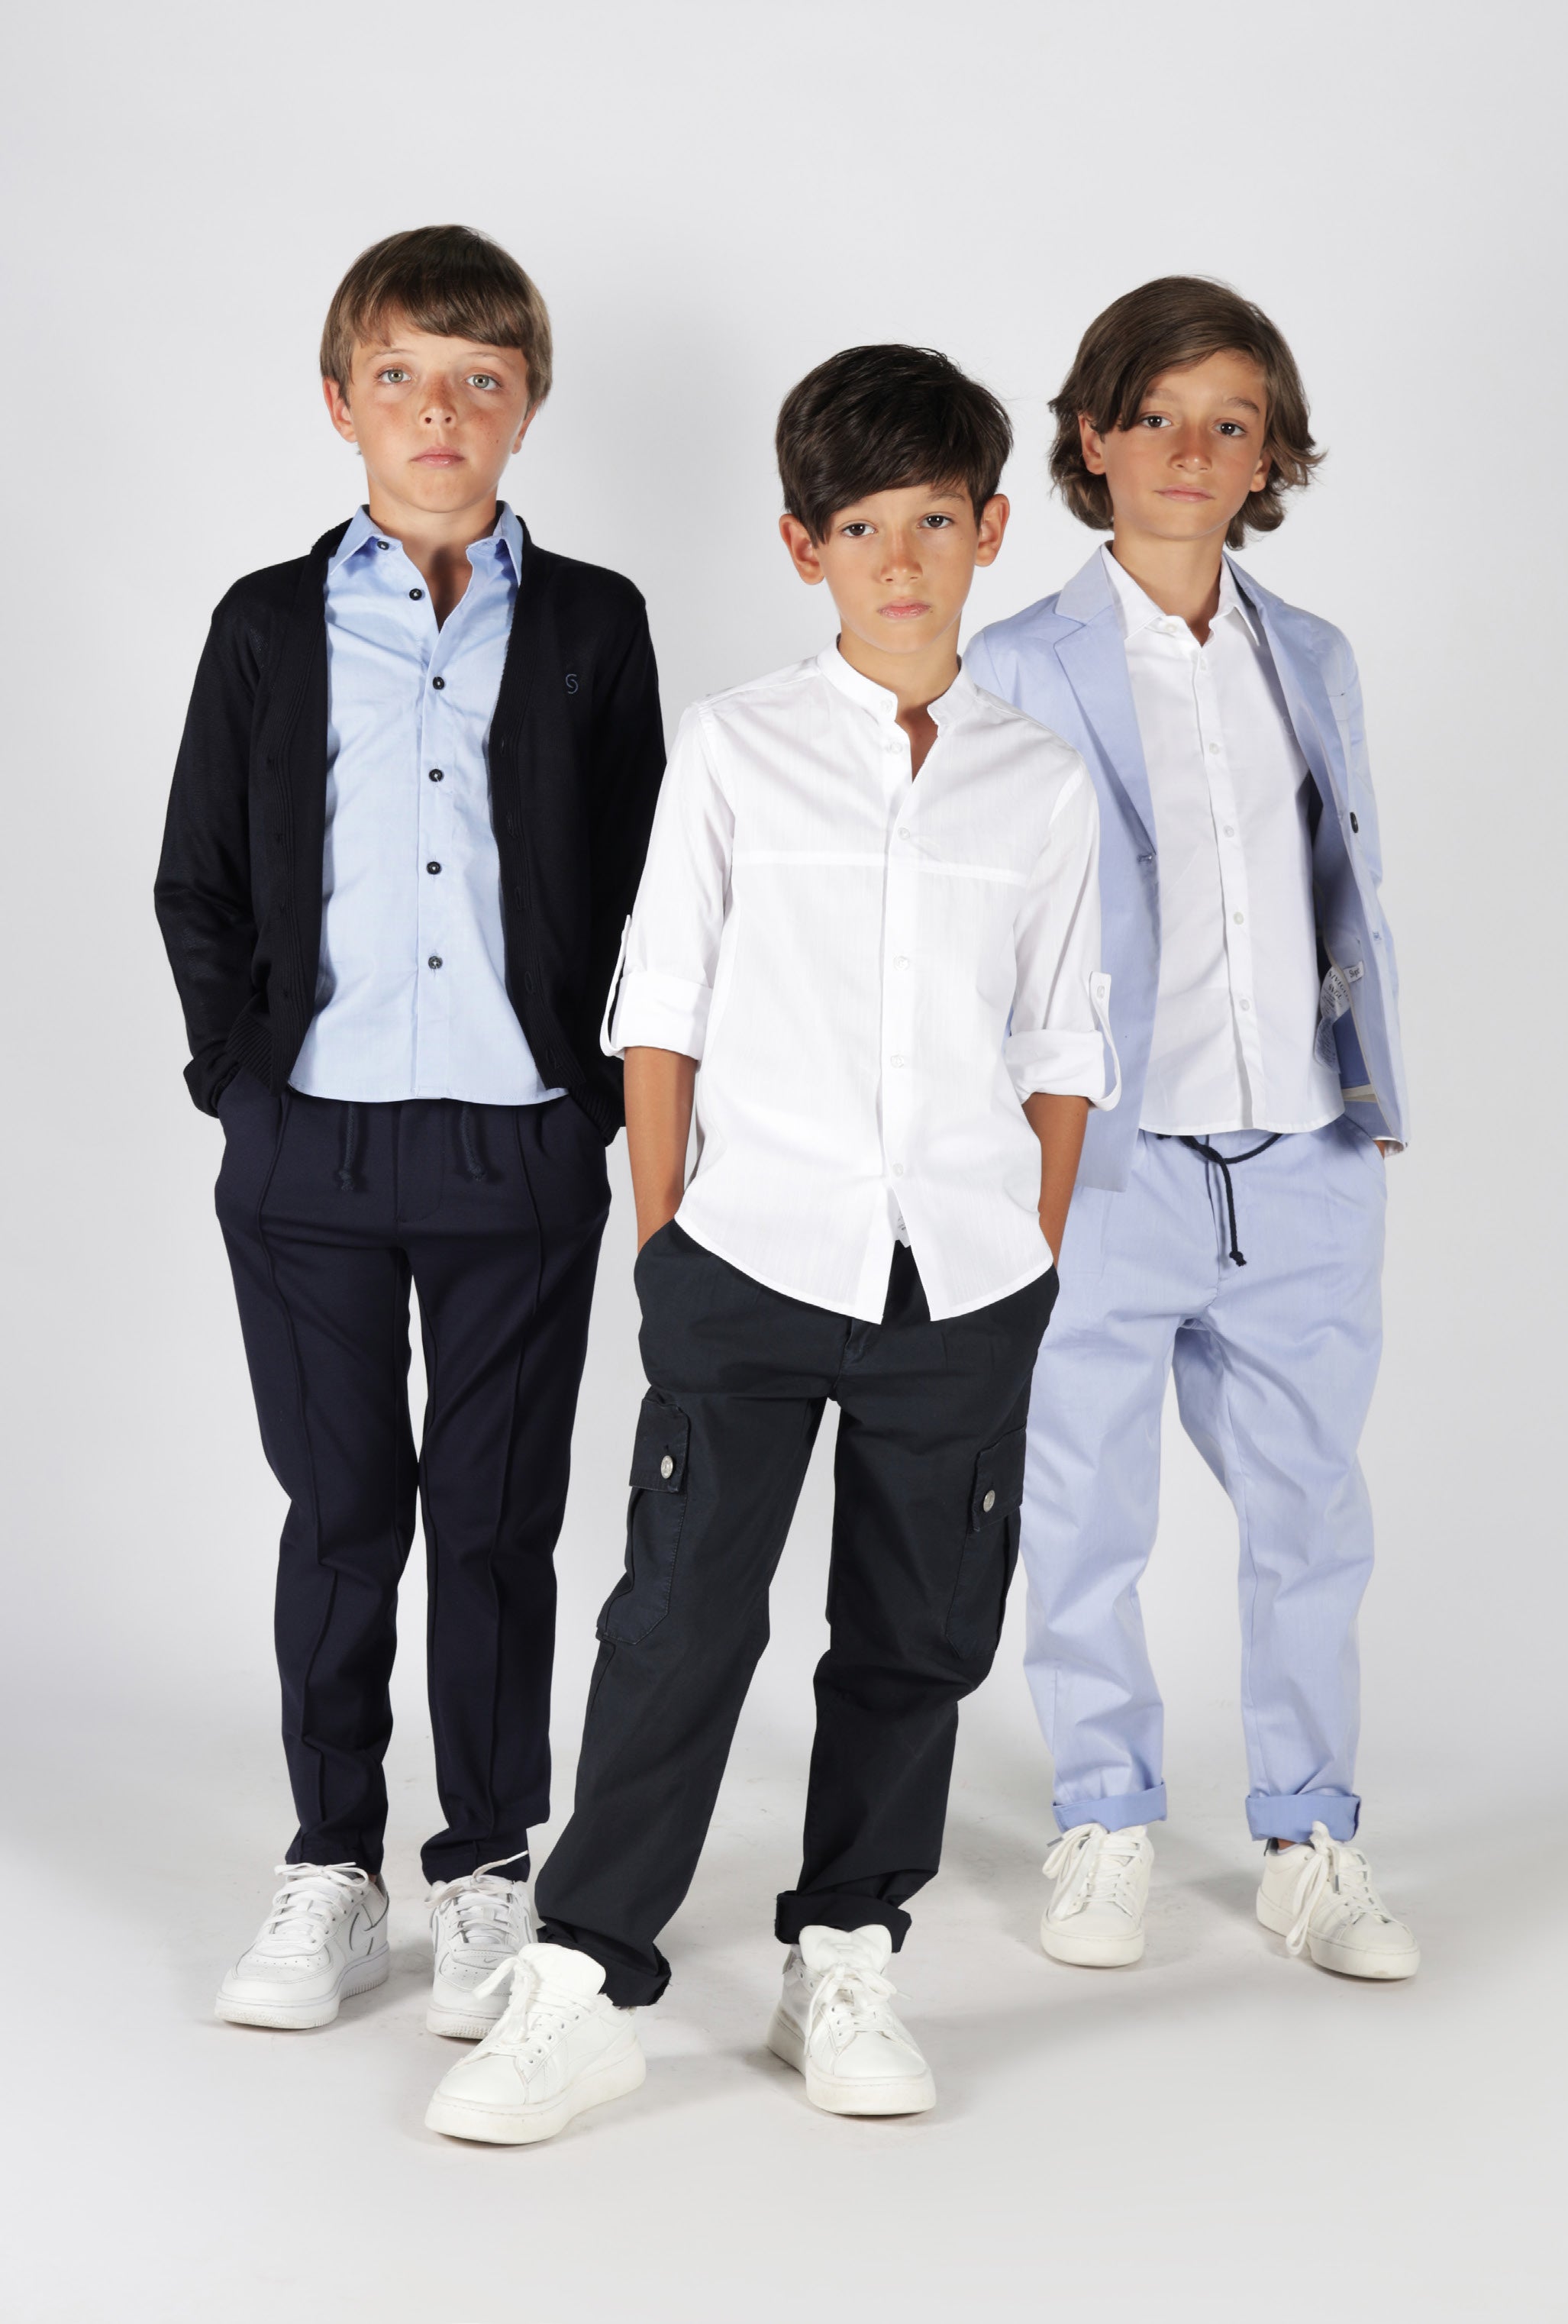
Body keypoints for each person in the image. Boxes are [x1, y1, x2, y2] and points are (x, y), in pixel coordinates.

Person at [424, 343, 1119, 2145]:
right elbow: (660, 1011)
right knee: (678, 1620)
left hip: (961, 1283)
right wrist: (666, 1243)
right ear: (806, 547)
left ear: (991, 531)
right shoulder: (739, 747)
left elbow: (1062, 1043)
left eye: (935, 523)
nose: (902, 561)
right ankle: (586, 1975)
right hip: (746, 1260)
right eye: (862, 528)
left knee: (916, 1635)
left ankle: (848, 1948)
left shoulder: (1041, 787)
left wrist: (1029, 1250)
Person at [153, 224, 666, 2038]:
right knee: (345, 1508)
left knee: (497, 1520)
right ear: (341, 402)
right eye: (401, 378)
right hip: (309, 1146)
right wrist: (243, 1079)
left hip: (516, 1140)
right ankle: (333, 1863)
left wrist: (593, 1095)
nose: (438, 412)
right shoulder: (268, 623)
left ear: (526, 406)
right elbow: (201, 879)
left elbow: (644, 882)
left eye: (478, 381)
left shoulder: (591, 622)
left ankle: (487, 1862)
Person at [965, 276, 1419, 1983]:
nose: (1189, 448)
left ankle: (1311, 1837)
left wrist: (1372, 1089)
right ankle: (1104, 1814)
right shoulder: (1017, 662)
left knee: (1312, 1513)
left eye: (1230, 422)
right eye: (1154, 415)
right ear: (1093, 439)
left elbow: (1346, 879)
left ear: (1270, 455)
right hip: (1107, 1159)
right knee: (1084, 1504)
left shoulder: (1314, 656)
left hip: (1302, 1151)